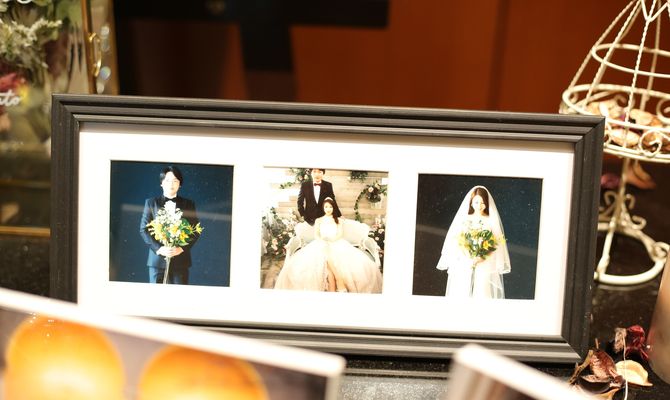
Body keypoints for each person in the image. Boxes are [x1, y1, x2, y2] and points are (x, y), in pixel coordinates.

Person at [275, 198, 382, 293]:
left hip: (336, 242)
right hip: (321, 242)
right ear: (323, 208)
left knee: (329, 257)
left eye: (330, 207)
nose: (328, 209)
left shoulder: (338, 220)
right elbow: (316, 235)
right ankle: (339, 281)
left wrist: (331, 240)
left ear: (333, 208)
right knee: (324, 253)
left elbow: (339, 234)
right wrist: (323, 241)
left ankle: (333, 287)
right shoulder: (319, 220)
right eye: (326, 207)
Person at [436, 186, 510, 299]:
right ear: (471, 203)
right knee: (461, 291)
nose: (479, 205)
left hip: (485, 262)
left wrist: (481, 257)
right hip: (465, 260)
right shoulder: (465, 218)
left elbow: (496, 243)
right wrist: (468, 255)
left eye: (482, 202)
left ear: (487, 203)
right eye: (476, 202)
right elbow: (458, 239)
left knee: (482, 292)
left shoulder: (491, 220)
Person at [140, 166, 200, 284]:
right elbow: (143, 229)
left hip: (180, 261)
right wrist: (159, 249)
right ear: (161, 183)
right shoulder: (151, 203)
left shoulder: (188, 204)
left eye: (175, 181)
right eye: (167, 180)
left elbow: (196, 231)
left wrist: (181, 248)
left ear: (180, 184)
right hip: (157, 261)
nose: (171, 184)